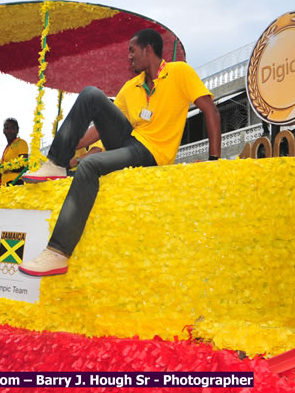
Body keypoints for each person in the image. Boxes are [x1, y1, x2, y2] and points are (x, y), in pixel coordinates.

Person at [19, 28, 222, 276]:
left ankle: (58, 253)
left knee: (90, 166)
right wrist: (70, 146)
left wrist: (214, 161)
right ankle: (55, 164)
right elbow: (99, 130)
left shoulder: (179, 71)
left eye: (132, 51)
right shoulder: (131, 86)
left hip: (152, 153)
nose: (130, 56)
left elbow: (211, 111)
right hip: (130, 141)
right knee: (91, 94)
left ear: (148, 49)